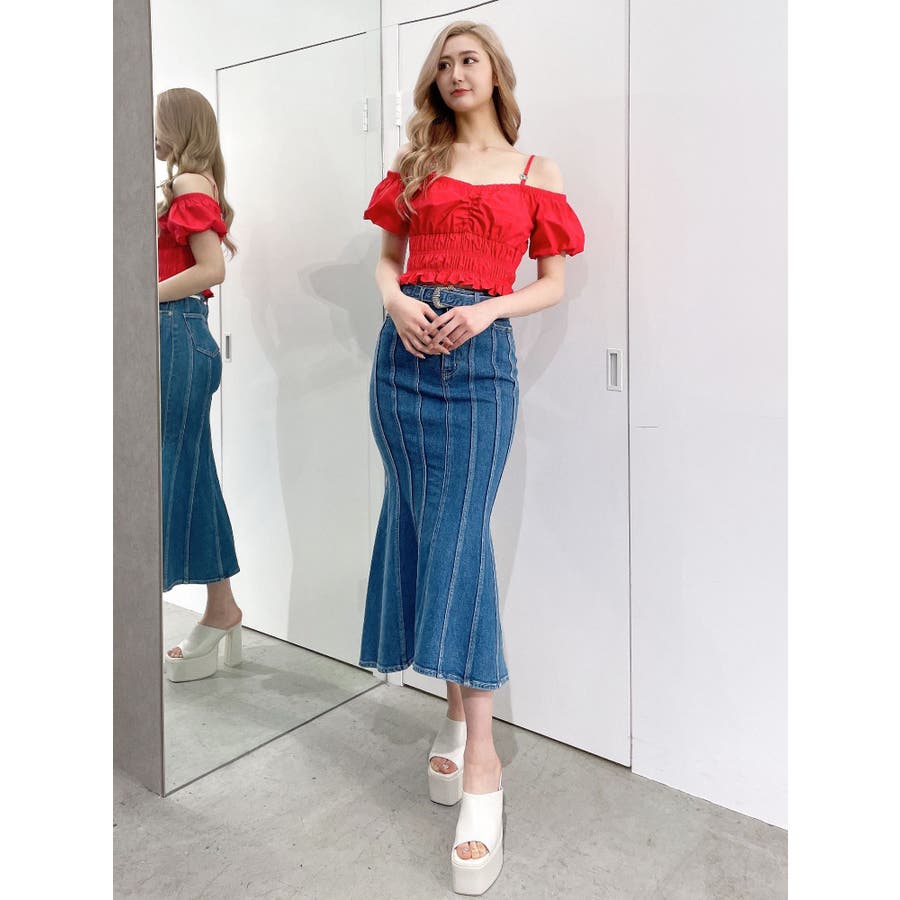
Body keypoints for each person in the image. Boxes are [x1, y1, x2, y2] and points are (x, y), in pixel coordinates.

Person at [359, 21, 585, 896]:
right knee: (421, 525)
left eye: (470, 60)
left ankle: (483, 762)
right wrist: (394, 302)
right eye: (445, 63)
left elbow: (553, 281)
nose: (456, 73)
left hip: (481, 366)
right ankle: (454, 717)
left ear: (495, 75)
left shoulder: (535, 173)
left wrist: (489, 310)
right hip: (403, 365)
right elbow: (387, 260)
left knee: (462, 538)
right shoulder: (417, 165)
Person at [155, 87, 243, 683]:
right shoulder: (196, 181)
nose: (152, 136)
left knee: (163, 473)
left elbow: (212, 269)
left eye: (158, 124)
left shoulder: (188, 183)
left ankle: (137, 605)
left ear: (180, 126)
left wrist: (138, 296)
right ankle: (221, 608)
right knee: (192, 471)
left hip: (175, 333)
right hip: (181, 335)